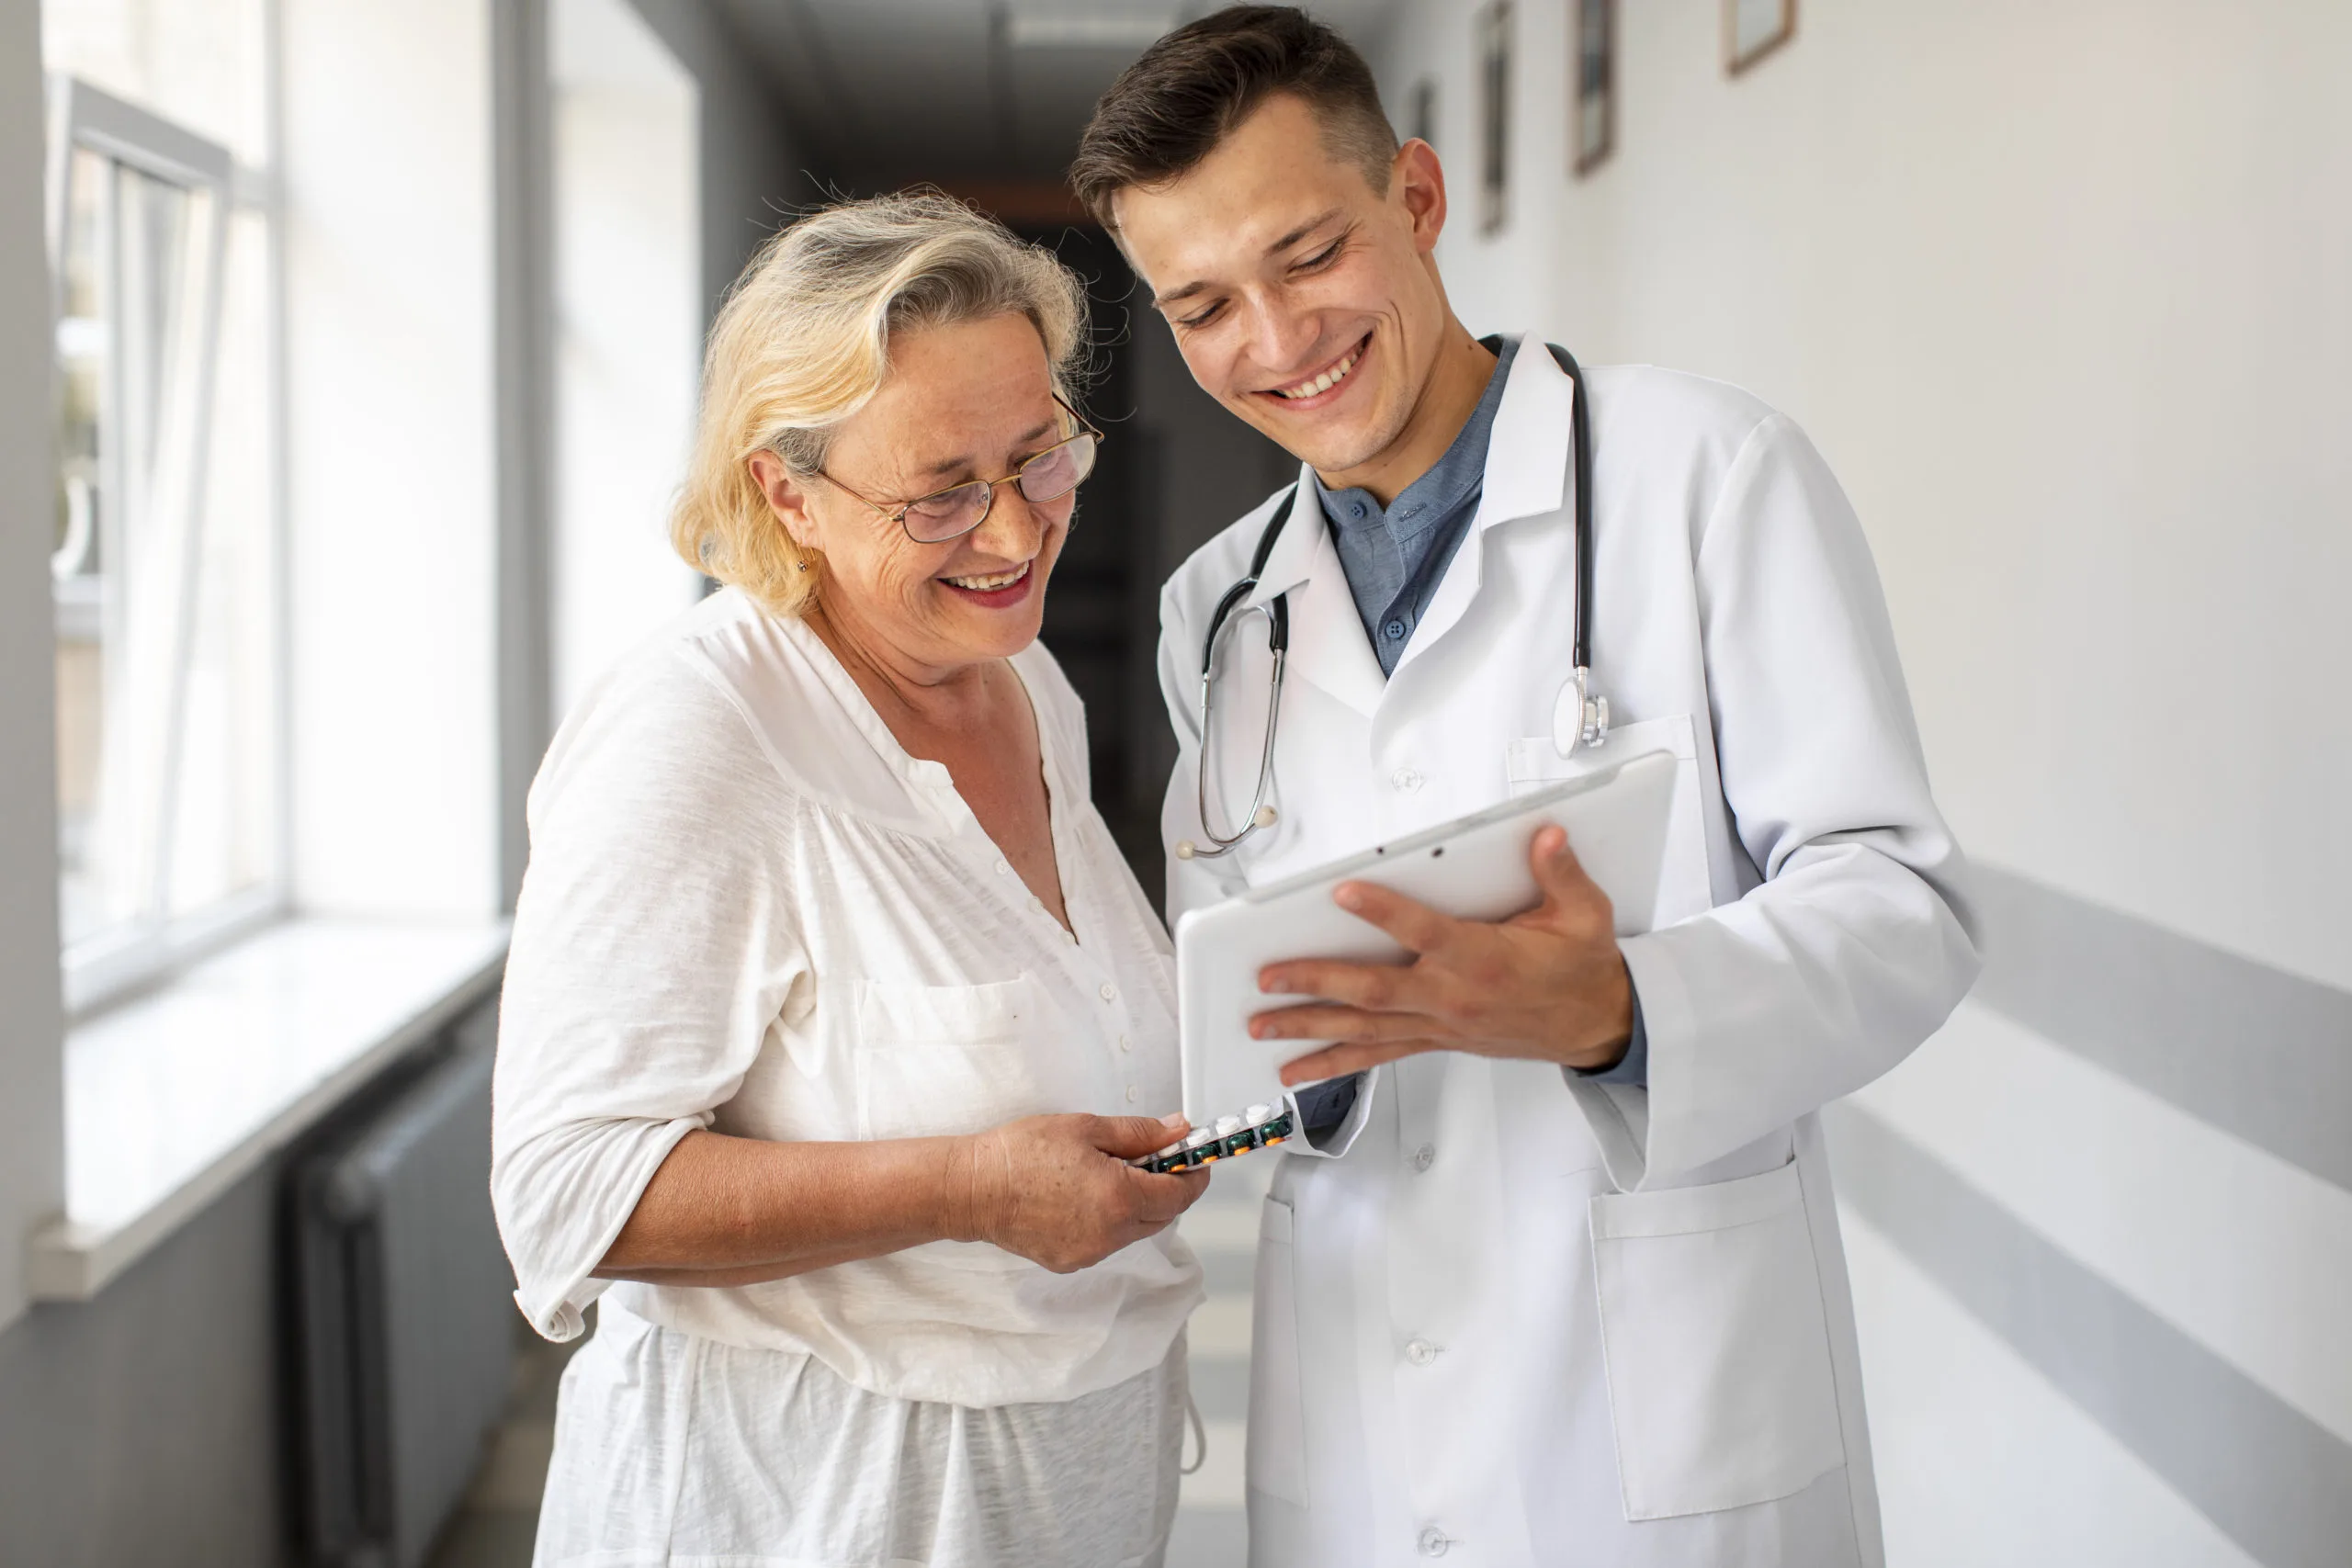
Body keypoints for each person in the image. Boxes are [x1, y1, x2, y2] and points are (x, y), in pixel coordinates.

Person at [1072, 9, 1981, 1566]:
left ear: (1417, 199)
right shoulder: (1219, 610)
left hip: (1659, 1404)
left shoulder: (1707, 475)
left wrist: (1622, 1006)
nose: (1278, 342)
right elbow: (1237, 982)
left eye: (1309, 254)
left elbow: (1904, 906)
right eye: (1204, 304)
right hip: (1358, 1385)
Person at [491, 193, 1212, 1568]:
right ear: (787, 489)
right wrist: (964, 1188)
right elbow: (565, 1190)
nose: (1012, 533)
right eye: (941, 490)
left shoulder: (1026, 681)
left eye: (1040, 457)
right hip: (806, 1507)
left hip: (1069, 1496)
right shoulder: (699, 730)